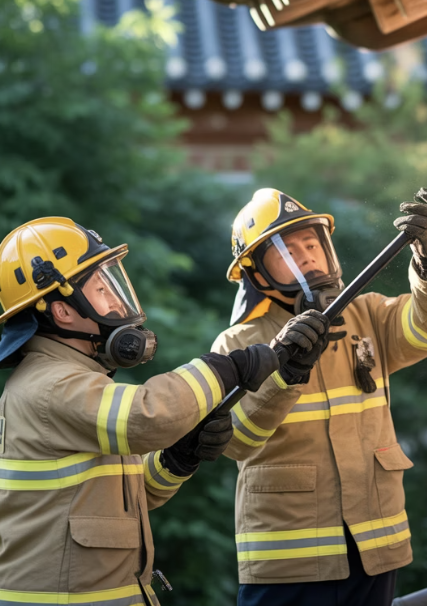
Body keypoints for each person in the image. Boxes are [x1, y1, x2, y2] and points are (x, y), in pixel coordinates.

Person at [212, 187, 427, 606]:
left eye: (311, 244)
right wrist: (285, 372)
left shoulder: (368, 314)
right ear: (257, 275)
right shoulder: (236, 344)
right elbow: (236, 439)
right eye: (288, 252)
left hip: (375, 545)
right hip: (289, 558)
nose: (306, 257)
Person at [0, 217, 278, 604]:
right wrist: (224, 368)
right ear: (62, 311)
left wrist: (176, 459)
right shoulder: (50, 385)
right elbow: (147, 417)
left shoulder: (72, 379)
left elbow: (127, 498)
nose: (117, 301)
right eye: (102, 289)